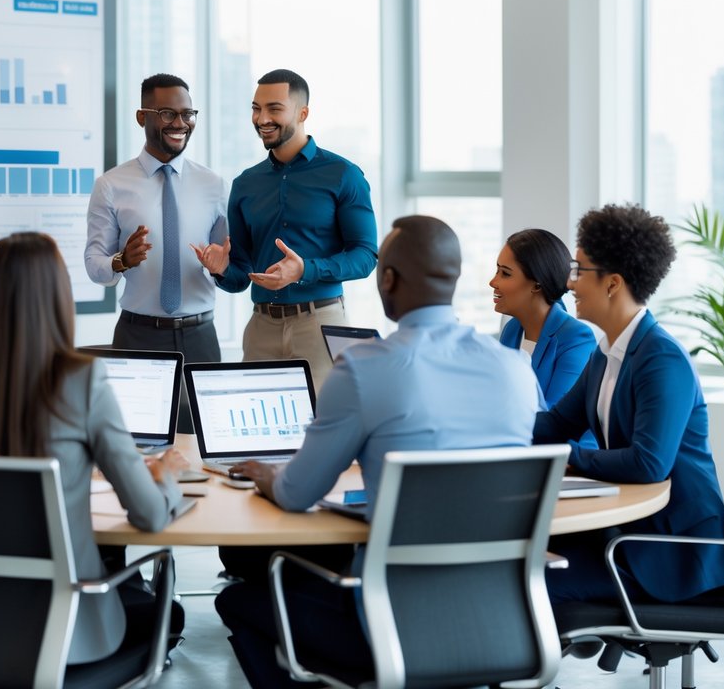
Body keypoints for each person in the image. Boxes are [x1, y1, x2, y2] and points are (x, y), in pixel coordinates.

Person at [216, 215, 541, 688]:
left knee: (240, 601)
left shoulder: (365, 370)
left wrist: (266, 474)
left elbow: (295, 494)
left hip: (390, 621)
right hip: (506, 618)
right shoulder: (515, 371)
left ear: (387, 280)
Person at [0, 231, 189, 664]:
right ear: (56, 298)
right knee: (171, 615)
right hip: (67, 631)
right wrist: (166, 477)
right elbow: (147, 515)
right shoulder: (82, 379)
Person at [534, 204, 724, 605]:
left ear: (613, 284)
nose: (570, 283)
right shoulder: (606, 352)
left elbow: (650, 463)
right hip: (631, 532)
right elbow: (557, 422)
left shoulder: (660, 359)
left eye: (580, 270)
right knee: (521, 563)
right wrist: (490, 426)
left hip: (671, 554)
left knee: (529, 586)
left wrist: (568, 456)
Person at [192, 69, 377, 390]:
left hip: (320, 324)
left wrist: (306, 269)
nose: (262, 118)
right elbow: (240, 277)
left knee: (321, 428)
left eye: (274, 108)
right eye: (256, 108)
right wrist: (222, 270)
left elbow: (365, 257)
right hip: (261, 326)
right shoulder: (245, 184)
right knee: (252, 428)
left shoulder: (343, 174)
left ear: (302, 113)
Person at [85, 73, 228, 432]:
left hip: (201, 337)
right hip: (138, 337)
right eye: (167, 114)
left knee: (205, 444)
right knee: (133, 441)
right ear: (141, 117)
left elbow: (229, 262)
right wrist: (122, 260)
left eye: (187, 114)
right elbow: (95, 265)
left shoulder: (213, 185)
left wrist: (220, 267)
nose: (180, 123)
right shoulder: (111, 185)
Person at [491, 228, 596, 405]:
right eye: (497, 271)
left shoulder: (576, 338)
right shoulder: (511, 330)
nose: (493, 282)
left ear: (537, 285)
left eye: (505, 273)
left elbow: (558, 418)